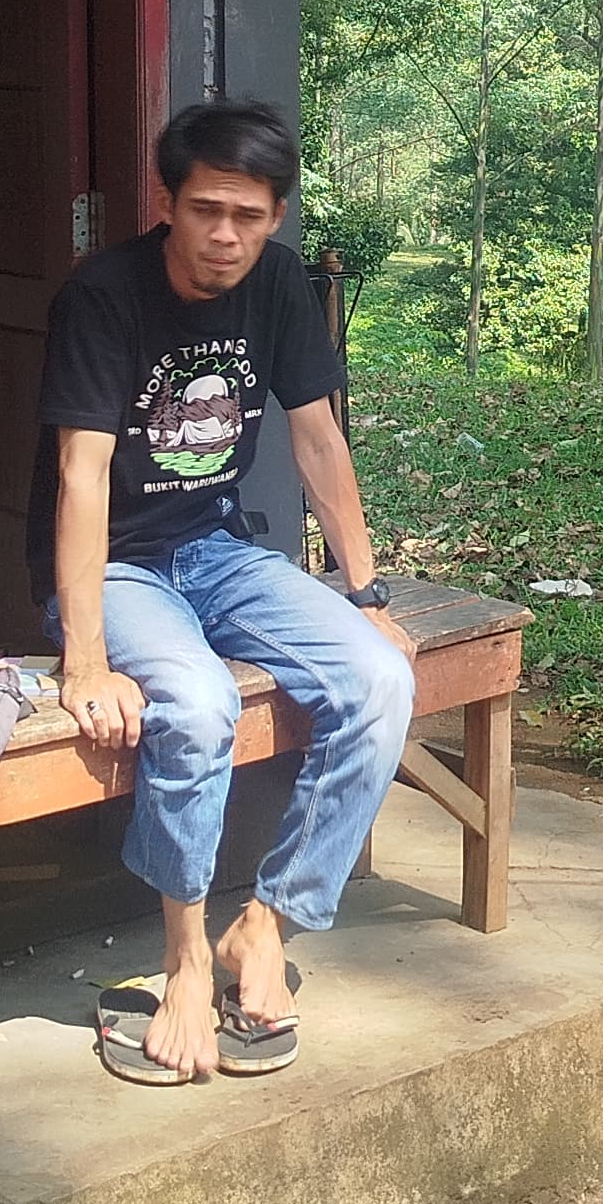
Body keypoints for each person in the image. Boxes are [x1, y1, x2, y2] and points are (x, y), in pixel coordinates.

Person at [30, 97, 415, 1086]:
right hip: (116, 567)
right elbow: (80, 475)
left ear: (276, 215)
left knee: (379, 681)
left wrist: (367, 595)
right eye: (205, 209)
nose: (225, 236)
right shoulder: (101, 295)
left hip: (216, 550)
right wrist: (86, 660)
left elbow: (318, 438)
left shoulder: (278, 283)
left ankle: (267, 923)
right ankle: (186, 959)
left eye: (248, 216)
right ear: (168, 202)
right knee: (197, 705)